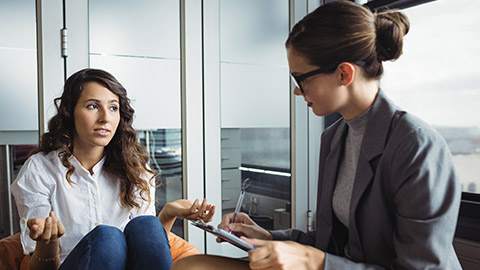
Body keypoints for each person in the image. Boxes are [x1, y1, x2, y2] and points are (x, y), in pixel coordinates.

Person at [171, 1, 462, 269]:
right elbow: (329, 242)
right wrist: (268, 236)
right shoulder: (335, 138)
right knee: (190, 266)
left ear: (343, 75)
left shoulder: (417, 147)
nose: (297, 90)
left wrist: (318, 262)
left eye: (300, 78)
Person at [11, 68, 215, 270]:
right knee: (108, 237)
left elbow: (148, 249)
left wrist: (169, 213)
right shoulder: (39, 169)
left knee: (146, 225)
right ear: (69, 112)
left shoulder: (135, 169)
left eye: (113, 108)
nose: (105, 118)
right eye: (92, 106)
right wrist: (49, 243)